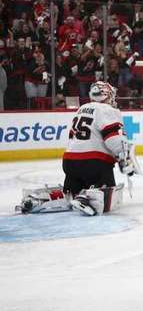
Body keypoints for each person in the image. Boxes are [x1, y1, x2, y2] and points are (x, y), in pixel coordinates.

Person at [18, 81, 134, 216]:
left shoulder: (82, 108)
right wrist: (124, 158)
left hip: (70, 163)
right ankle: (87, 199)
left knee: (69, 194)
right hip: (94, 164)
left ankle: (41, 200)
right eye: (111, 95)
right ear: (106, 96)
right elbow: (113, 139)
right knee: (106, 195)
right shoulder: (108, 110)